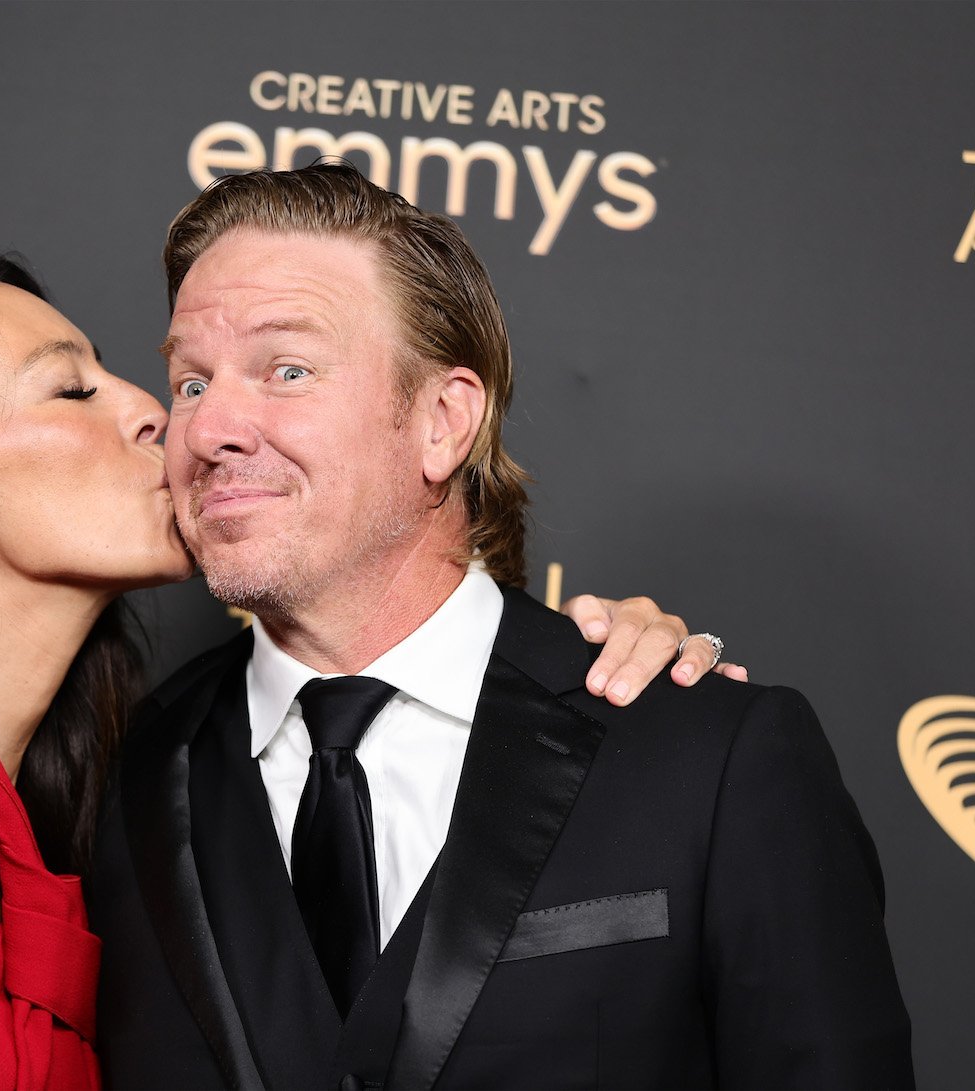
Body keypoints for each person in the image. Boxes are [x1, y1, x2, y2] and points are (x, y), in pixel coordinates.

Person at [0, 248, 715, 1089]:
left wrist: (566, 659)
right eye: (71, 391)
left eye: (127, 377)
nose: (158, 412)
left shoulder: (59, 793)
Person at [88, 163, 913, 1089]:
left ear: (443, 421)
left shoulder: (705, 752)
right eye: (191, 382)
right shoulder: (128, 774)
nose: (208, 430)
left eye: (288, 369)